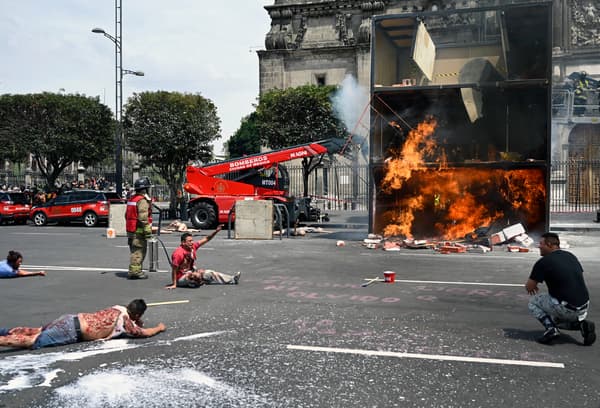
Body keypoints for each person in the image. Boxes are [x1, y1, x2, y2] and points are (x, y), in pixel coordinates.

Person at [0, 299, 166, 350]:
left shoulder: (118, 308)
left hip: (70, 319)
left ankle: (4, 331)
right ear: (137, 314)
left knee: (37, 330)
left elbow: (124, 320)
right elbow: (143, 332)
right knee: (33, 341)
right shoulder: (126, 322)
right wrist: (159, 327)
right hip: (72, 330)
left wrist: (135, 318)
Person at [525, 232, 596, 345]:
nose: (539, 246)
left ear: (549, 244)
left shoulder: (544, 262)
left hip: (566, 307)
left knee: (534, 302)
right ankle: (582, 325)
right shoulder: (571, 256)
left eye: (541, 244)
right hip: (583, 306)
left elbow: (529, 287)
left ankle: (551, 330)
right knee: (557, 319)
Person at [165, 227, 241, 289]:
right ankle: (196, 281)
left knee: (210, 273)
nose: (192, 242)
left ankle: (232, 279)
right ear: (183, 243)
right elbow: (174, 270)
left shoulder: (193, 247)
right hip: (181, 278)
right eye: (189, 241)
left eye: (192, 240)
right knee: (196, 275)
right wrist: (174, 284)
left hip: (191, 271)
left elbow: (207, 239)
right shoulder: (178, 254)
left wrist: (216, 231)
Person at [125, 177, 153, 279]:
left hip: (131, 230)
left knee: (134, 250)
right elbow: (143, 216)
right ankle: (135, 272)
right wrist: (147, 230)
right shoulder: (142, 201)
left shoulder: (132, 199)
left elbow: (126, 215)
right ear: (144, 189)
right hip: (138, 231)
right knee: (139, 251)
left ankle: (135, 269)